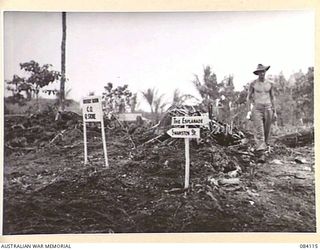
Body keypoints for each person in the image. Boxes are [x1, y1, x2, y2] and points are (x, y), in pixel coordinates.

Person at [246, 64, 277, 162]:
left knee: (267, 130)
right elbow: (248, 97)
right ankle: (261, 153)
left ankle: (264, 148)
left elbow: (273, 97)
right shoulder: (253, 84)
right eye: (260, 72)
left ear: (265, 72)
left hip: (268, 108)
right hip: (257, 109)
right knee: (259, 130)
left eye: (263, 71)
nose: (262, 73)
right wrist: (249, 111)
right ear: (258, 73)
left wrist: (275, 112)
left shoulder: (270, 84)